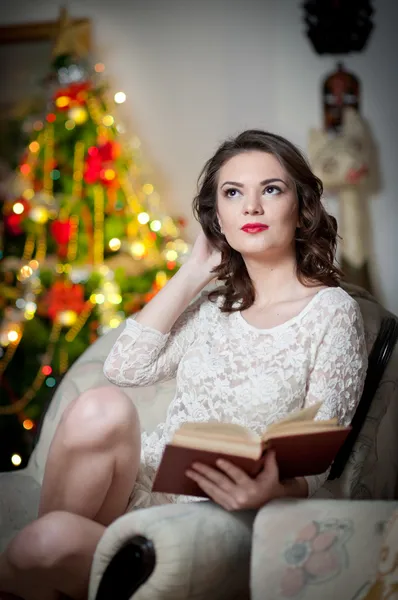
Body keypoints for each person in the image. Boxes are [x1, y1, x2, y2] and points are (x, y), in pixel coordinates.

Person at [0, 129, 368, 600]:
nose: (251, 207)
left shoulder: (333, 312)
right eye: (233, 194)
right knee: (101, 406)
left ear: (301, 207)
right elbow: (124, 368)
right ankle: (45, 570)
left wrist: (273, 492)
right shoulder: (217, 306)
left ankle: (37, 568)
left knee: (45, 541)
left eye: (271, 189)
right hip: (146, 487)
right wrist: (192, 271)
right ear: (219, 218)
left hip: (204, 521)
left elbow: (324, 452)